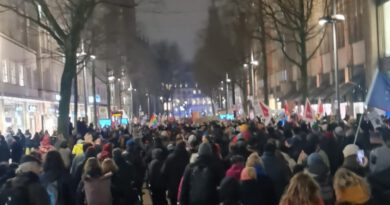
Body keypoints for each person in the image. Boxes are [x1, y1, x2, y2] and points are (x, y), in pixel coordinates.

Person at [161, 141, 190, 205]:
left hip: (172, 187)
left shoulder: (170, 158)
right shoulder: (187, 157)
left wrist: (167, 184)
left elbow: (163, 172)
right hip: (184, 187)